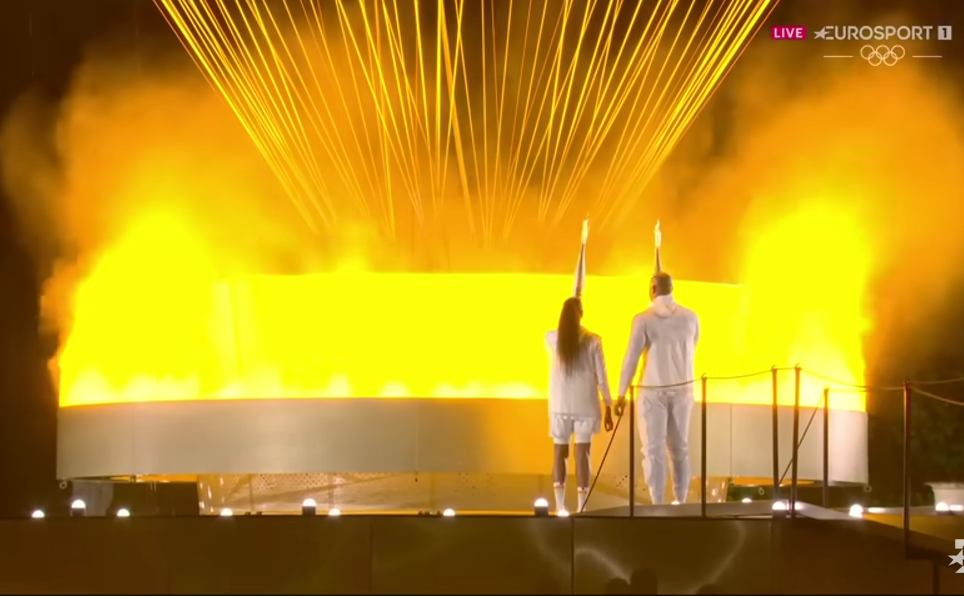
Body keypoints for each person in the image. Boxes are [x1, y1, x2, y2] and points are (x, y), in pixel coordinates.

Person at [615, 222, 699, 505]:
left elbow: (630, 358)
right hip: (684, 390)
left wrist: (620, 393)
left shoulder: (642, 319)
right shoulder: (690, 318)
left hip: (652, 392)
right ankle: (680, 499)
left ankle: (656, 501)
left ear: (652, 289)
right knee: (680, 449)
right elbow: (694, 345)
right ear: (673, 288)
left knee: (652, 450)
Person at [545, 220, 614, 514]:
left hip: (560, 406)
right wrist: (610, 406)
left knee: (559, 454)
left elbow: (572, 305)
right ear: (582, 314)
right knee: (582, 456)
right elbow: (602, 378)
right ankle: (581, 508)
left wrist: (582, 248)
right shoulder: (593, 340)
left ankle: (560, 507)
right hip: (586, 406)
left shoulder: (551, 339)